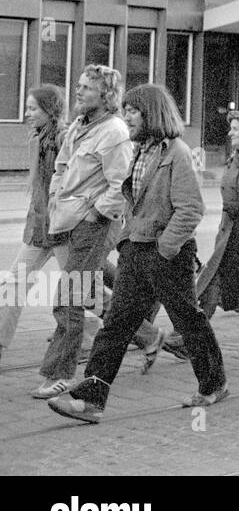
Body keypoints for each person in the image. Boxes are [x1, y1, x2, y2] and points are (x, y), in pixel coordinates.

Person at [49, 85, 225, 424]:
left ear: (153, 114)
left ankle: (214, 382)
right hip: (136, 249)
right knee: (115, 325)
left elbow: (190, 209)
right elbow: (132, 200)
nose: (126, 116)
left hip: (166, 254)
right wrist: (126, 238)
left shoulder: (177, 153)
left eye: (133, 111)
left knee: (188, 320)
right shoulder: (139, 151)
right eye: (125, 109)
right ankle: (90, 399)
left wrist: (165, 247)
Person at [15, 68, 135, 400]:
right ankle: (145, 335)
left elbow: (120, 185)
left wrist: (96, 213)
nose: (78, 93)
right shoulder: (81, 127)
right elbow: (61, 167)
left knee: (69, 296)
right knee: (85, 292)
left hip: (94, 224)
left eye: (87, 88)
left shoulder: (114, 132)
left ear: (105, 94)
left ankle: (60, 374)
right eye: (79, 86)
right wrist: (55, 197)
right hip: (68, 220)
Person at [161, 105, 239, 358]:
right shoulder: (236, 160)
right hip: (228, 236)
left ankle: (187, 337)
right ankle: (187, 337)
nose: (230, 133)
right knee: (210, 283)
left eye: (236, 129)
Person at [0, 87, 68, 370]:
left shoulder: (66, 139)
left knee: (84, 292)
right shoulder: (36, 139)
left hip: (64, 229)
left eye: (32, 109)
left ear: (50, 110)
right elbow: (38, 189)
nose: (27, 114)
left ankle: (148, 335)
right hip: (39, 229)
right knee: (13, 285)